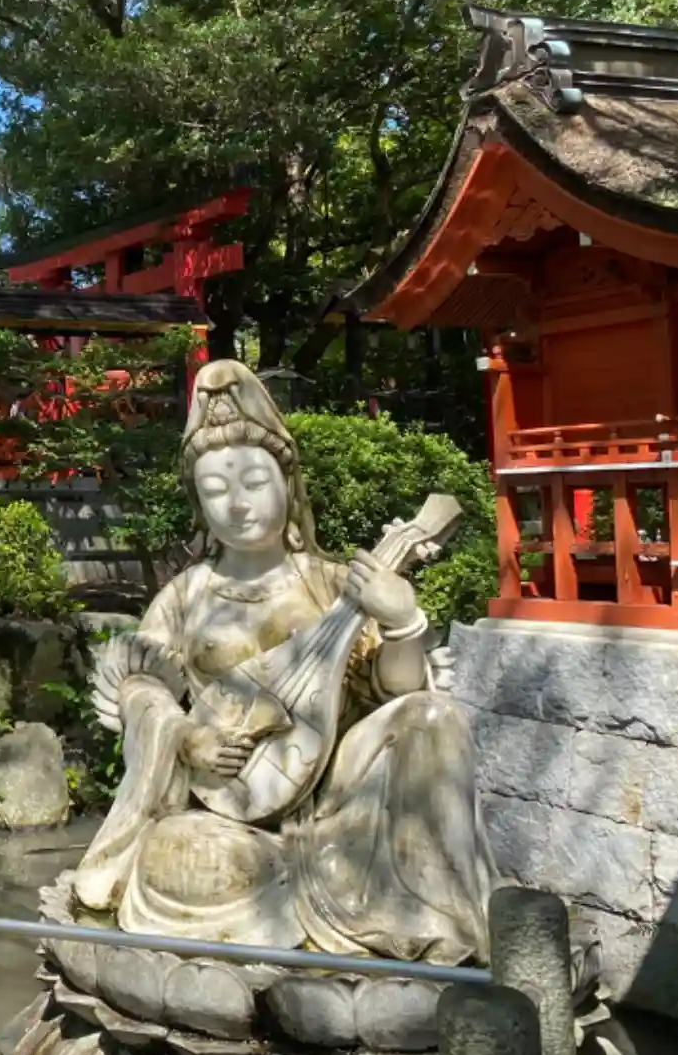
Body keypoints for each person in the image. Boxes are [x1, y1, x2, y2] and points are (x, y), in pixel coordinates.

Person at [73, 360, 495, 964]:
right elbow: (140, 684)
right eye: (215, 491)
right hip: (230, 817)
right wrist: (187, 737)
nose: (237, 504)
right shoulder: (186, 596)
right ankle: (346, 900)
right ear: (198, 504)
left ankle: (434, 921)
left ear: (288, 486)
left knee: (435, 717)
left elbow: (392, 693)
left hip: (339, 797)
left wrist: (403, 622)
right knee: (184, 854)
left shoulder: (330, 583)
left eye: (254, 482)